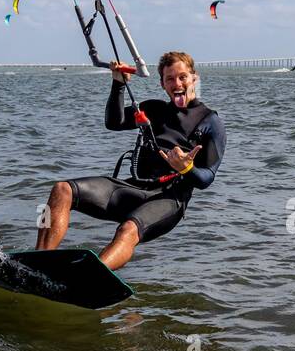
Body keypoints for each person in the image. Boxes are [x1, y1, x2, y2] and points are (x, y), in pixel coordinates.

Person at [35, 51, 226, 270]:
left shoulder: (211, 122)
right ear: (163, 84)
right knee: (61, 190)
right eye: (170, 79)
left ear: (194, 78)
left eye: (182, 77)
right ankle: (39, 259)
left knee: (127, 229)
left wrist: (187, 168)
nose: (177, 83)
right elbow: (114, 122)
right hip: (133, 188)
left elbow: (206, 178)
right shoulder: (154, 109)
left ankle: (92, 277)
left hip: (169, 198)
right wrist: (118, 85)